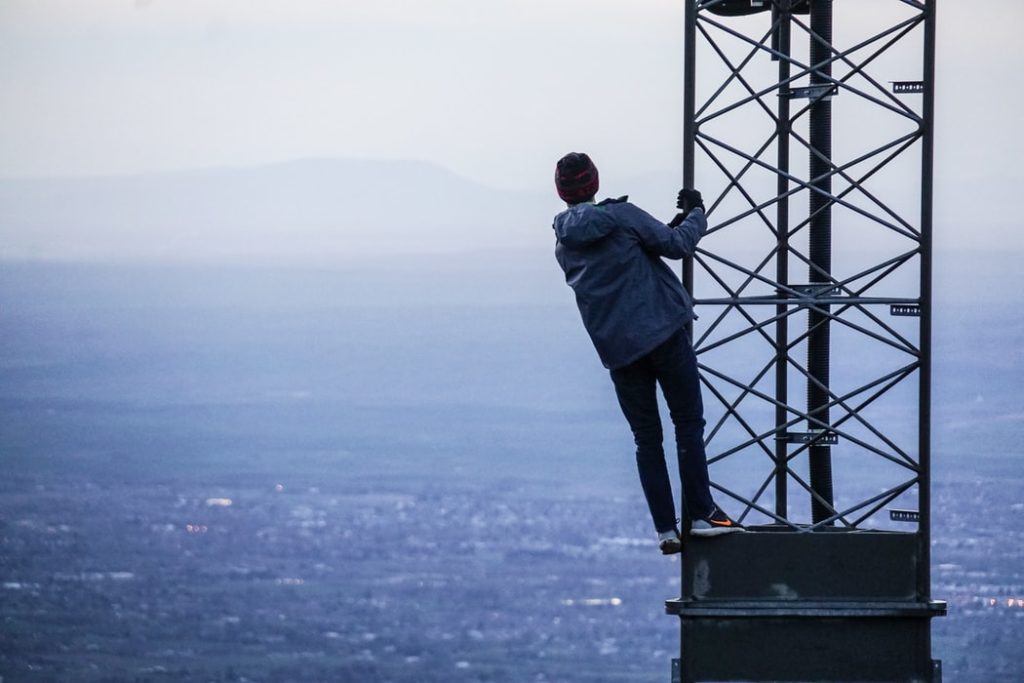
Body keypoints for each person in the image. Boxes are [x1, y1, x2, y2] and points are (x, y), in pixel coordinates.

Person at [551, 152, 742, 555]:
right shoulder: (622, 215)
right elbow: (676, 246)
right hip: (664, 334)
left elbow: (625, 259)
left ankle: (665, 529)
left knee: (646, 438)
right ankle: (702, 513)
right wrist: (697, 213)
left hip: (620, 353)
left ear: (562, 192)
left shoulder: (564, 244)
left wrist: (662, 230)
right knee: (687, 422)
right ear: (595, 182)